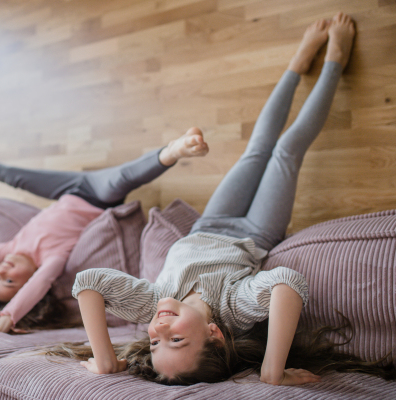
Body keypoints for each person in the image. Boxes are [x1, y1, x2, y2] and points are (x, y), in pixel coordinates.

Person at [49, 13, 395, 385]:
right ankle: (333, 63)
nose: (158, 330)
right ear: (214, 333)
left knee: (256, 150)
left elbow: (88, 281)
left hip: (209, 224)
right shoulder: (235, 308)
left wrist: (105, 360)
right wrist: (271, 371)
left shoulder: (153, 302)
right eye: (176, 339)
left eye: (153, 344)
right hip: (255, 231)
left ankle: (296, 65)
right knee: (286, 151)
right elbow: (287, 283)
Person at [0, 127, 209, 333]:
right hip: (97, 196)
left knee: (17, 178)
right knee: (120, 179)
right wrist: (10, 315)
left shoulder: (9, 249)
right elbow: (40, 284)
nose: (0, 272)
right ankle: (173, 150)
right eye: (9, 281)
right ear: (29, 281)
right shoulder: (53, 259)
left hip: (66, 189)